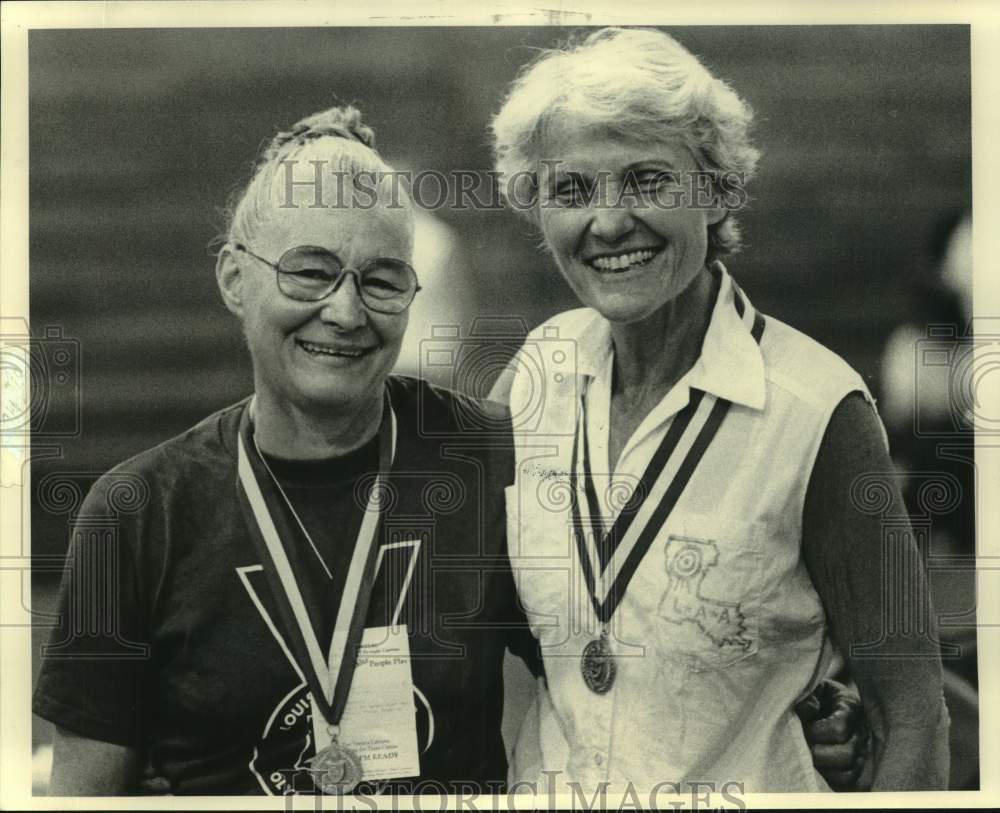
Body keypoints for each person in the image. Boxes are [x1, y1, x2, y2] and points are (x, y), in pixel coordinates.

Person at [34, 103, 865, 797]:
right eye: (309, 273)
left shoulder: (493, 459)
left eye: (382, 280)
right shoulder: (137, 510)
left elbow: (637, 650)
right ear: (232, 279)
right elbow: (82, 794)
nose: (346, 312)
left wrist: (814, 697)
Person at [489, 28, 949, 793]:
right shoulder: (534, 372)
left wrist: (832, 711)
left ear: (718, 189)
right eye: (572, 190)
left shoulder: (818, 410)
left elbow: (914, 716)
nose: (607, 223)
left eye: (645, 180)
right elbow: (520, 633)